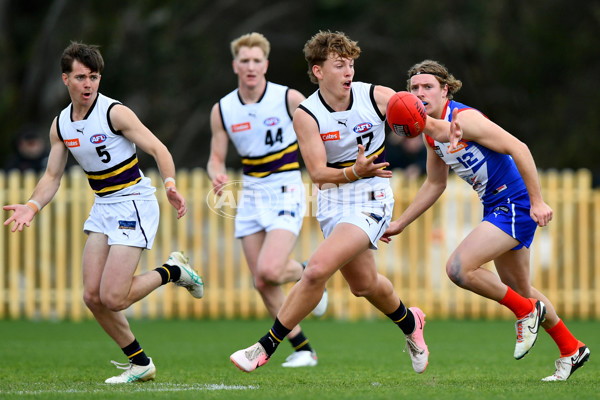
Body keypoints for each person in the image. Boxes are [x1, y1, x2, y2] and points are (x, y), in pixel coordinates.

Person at [3, 42, 204, 384]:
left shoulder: (115, 113)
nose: (88, 84)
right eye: (80, 77)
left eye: (93, 77)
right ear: (65, 79)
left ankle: (173, 271)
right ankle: (140, 364)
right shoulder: (61, 126)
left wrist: (169, 183)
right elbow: (52, 176)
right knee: (93, 297)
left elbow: (158, 147)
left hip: (134, 202)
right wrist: (32, 206)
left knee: (113, 297)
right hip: (103, 206)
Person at [230, 30, 430, 374]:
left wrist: (449, 129)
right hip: (333, 200)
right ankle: (410, 322)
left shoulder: (377, 96)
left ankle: (265, 347)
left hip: (373, 196)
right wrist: (354, 170)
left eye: (351, 64)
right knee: (364, 285)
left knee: (318, 269)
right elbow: (319, 173)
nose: (349, 72)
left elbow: (420, 118)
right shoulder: (307, 114)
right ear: (319, 71)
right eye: (339, 65)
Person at [382, 59, 590, 381]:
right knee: (520, 287)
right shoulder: (430, 134)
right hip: (495, 204)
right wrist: (401, 223)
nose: (420, 93)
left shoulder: (465, 119)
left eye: (428, 87)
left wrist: (537, 201)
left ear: (445, 90)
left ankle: (524, 312)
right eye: (414, 88)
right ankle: (571, 348)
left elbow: (519, 148)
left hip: (515, 202)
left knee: (458, 269)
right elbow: (435, 183)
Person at [207, 32, 327, 368]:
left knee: (271, 269)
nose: (250, 66)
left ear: (266, 65)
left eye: (256, 61)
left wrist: (321, 175)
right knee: (262, 281)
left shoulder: (288, 98)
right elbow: (215, 157)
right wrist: (215, 173)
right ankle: (303, 349)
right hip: (250, 194)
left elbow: (318, 134)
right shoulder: (223, 109)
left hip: (287, 187)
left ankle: (307, 273)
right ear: (235, 65)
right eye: (244, 61)